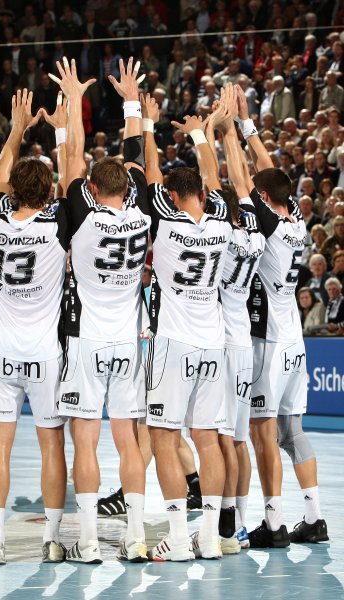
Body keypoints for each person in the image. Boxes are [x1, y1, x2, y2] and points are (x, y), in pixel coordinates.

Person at [54, 58, 149, 564]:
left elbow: (71, 157)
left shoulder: (82, 213)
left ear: (92, 189)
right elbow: (135, 155)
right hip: (128, 341)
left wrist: (74, 100)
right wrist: (131, 103)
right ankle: (135, 536)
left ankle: (88, 540)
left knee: (85, 442)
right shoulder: (142, 214)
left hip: (86, 339)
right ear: (128, 189)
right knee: (128, 442)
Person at [0, 89, 68, 566]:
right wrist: (61, 126)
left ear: (13, 191)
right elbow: (73, 178)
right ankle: (51, 540)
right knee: (52, 445)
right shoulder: (59, 225)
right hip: (45, 353)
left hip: (1, 352)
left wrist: (16, 129)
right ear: (49, 193)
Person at [237, 86, 329, 547]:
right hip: (294, 338)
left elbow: (244, 181)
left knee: (263, 434)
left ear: (265, 198)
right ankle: (315, 517)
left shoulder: (270, 225)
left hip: (269, 340)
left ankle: (273, 524)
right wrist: (247, 127)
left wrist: (225, 134)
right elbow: (267, 172)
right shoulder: (295, 220)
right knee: (293, 432)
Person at [142, 92, 232, 561]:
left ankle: (178, 539)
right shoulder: (220, 223)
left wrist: (148, 124)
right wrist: (200, 134)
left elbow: (151, 171)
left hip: (174, 343)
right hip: (213, 343)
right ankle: (210, 537)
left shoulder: (166, 222)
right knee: (207, 439)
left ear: (172, 198)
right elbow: (212, 176)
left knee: (162, 435)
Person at [214, 86, 266, 552]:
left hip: (225, 345)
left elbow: (222, 185)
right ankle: (242, 522)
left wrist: (212, 132)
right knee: (240, 439)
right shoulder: (253, 232)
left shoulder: (218, 236)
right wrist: (230, 131)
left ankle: (226, 522)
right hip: (244, 343)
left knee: (224, 439)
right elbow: (243, 182)